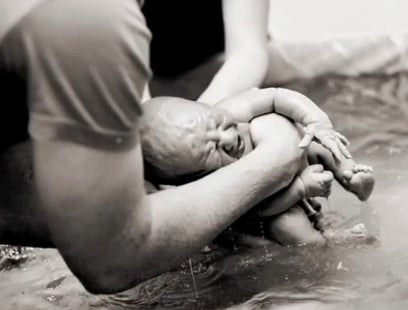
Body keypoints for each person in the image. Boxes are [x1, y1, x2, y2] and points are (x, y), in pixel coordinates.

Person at [0, 0, 346, 294]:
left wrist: (199, 130)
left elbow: (248, 52)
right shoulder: (90, 18)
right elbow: (111, 260)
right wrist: (276, 159)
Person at [140, 88, 374, 245]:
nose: (229, 139)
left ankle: (350, 175)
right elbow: (257, 211)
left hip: (301, 155)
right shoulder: (216, 189)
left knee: (321, 145)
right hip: (278, 201)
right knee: (286, 226)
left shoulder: (230, 108)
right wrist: (300, 188)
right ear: (196, 179)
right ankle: (324, 241)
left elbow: (276, 96)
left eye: (217, 122)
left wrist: (317, 121)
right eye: (212, 151)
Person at [142, 0, 270, 104]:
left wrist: (205, 112)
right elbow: (124, 61)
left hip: (219, 66)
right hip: (141, 74)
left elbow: (248, 50)